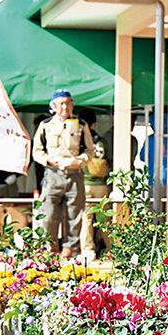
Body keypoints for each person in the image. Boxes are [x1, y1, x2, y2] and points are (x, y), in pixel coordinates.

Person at [32, 89, 95, 258]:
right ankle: (49, 249)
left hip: (74, 174)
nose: (65, 107)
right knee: (49, 215)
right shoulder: (45, 125)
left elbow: (90, 151)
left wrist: (79, 161)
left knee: (75, 215)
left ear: (72, 104)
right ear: (54, 106)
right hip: (53, 174)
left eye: (68, 102)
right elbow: (37, 151)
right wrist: (49, 160)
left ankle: (70, 249)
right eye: (61, 103)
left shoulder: (81, 124)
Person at [78, 108, 111, 260]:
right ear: (94, 123)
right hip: (102, 185)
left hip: (85, 183)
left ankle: (88, 251)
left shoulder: (79, 139)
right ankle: (111, 248)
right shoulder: (101, 141)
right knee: (104, 218)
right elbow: (109, 160)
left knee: (87, 219)